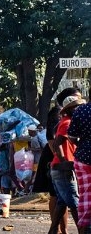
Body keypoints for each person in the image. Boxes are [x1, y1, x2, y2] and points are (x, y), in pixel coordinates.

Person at [49, 95, 83, 234]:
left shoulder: (66, 121)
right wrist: (64, 162)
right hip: (62, 168)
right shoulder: (67, 123)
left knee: (62, 202)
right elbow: (57, 143)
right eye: (77, 106)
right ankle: (82, 229)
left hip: (58, 168)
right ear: (70, 109)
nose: (79, 108)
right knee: (74, 201)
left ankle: (52, 230)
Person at [66, 91, 91, 233]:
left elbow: (71, 136)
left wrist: (82, 142)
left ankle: (84, 227)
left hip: (83, 157)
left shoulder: (81, 110)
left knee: (86, 194)